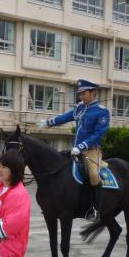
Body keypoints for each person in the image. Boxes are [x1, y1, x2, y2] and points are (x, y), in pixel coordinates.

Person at [37, 79, 110, 221]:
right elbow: (64, 117)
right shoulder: (79, 108)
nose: (81, 96)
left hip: (91, 150)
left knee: (94, 175)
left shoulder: (102, 112)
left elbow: (98, 134)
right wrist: (48, 123)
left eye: (84, 93)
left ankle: (96, 209)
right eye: (80, 93)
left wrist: (82, 146)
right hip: (75, 150)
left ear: (93, 93)